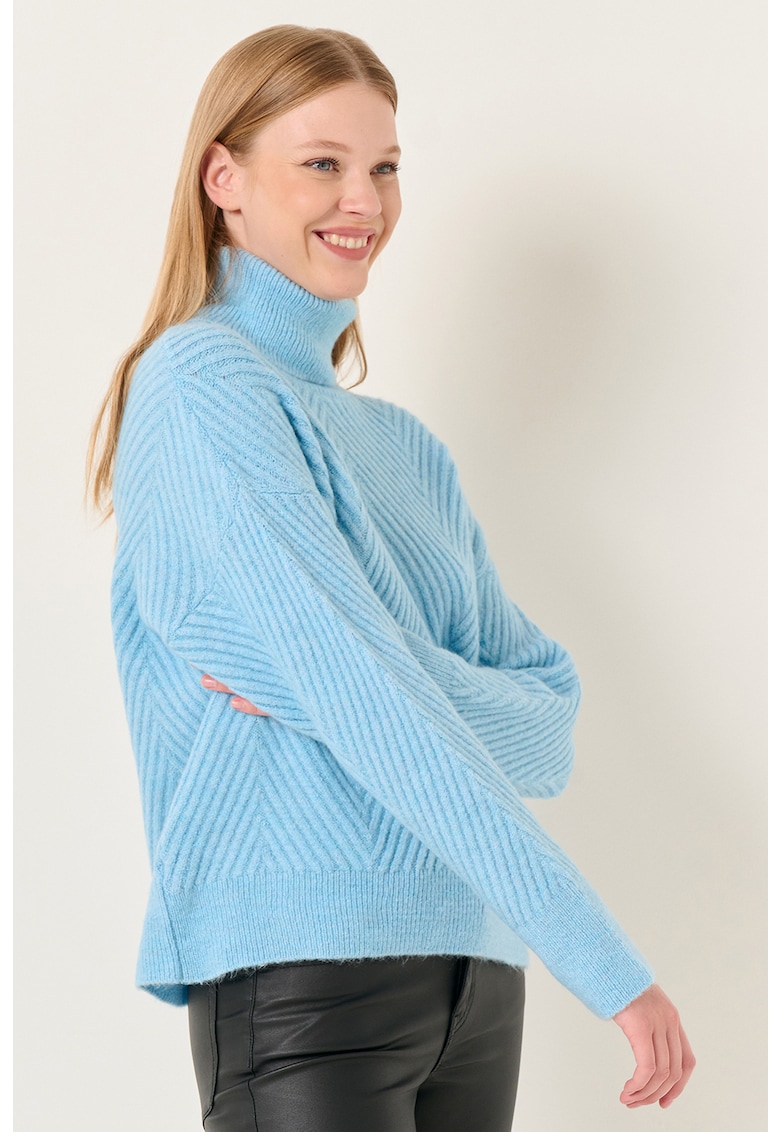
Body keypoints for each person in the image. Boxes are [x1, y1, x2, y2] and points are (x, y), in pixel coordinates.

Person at [87, 24, 695, 1131]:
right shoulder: (201, 386)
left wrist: (355, 665)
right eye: (322, 162)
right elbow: (368, 697)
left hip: (477, 971)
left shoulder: (407, 450)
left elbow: (546, 726)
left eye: (385, 166)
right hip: (301, 975)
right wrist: (606, 962)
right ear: (224, 178)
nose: (362, 200)